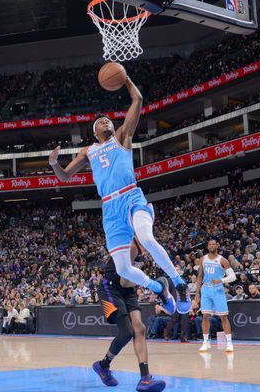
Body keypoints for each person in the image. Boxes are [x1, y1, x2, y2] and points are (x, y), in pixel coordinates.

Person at [48, 73, 187, 315]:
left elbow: (138, 100)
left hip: (131, 196)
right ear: (94, 132)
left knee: (145, 237)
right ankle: (159, 288)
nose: (106, 122)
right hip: (110, 207)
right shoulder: (88, 151)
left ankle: (179, 282)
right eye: (101, 122)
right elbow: (64, 177)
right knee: (123, 268)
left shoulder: (122, 137)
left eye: (108, 120)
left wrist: (125, 80)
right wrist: (53, 164)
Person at [92, 238, 166, 391]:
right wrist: (151, 284)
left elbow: (129, 283)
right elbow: (125, 281)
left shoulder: (142, 247)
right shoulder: (132, 245)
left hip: (128, 292)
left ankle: (145, 378)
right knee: (127, 332)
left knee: (140, 328)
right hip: (110, 288)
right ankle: (103, 366)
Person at [193, 239, 235, 352]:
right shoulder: (203, 259)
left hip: (218, 290)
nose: (212, 246)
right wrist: (197, 292)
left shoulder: (223, 260)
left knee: (223, 316)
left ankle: (229, 343)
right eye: (210, 244)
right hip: (206, 289)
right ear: (207, 246)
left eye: (214, 244)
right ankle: (206, 342)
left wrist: (221, 280)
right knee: (205, 315)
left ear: (217, 246)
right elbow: (200, 276)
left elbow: (233, 277)